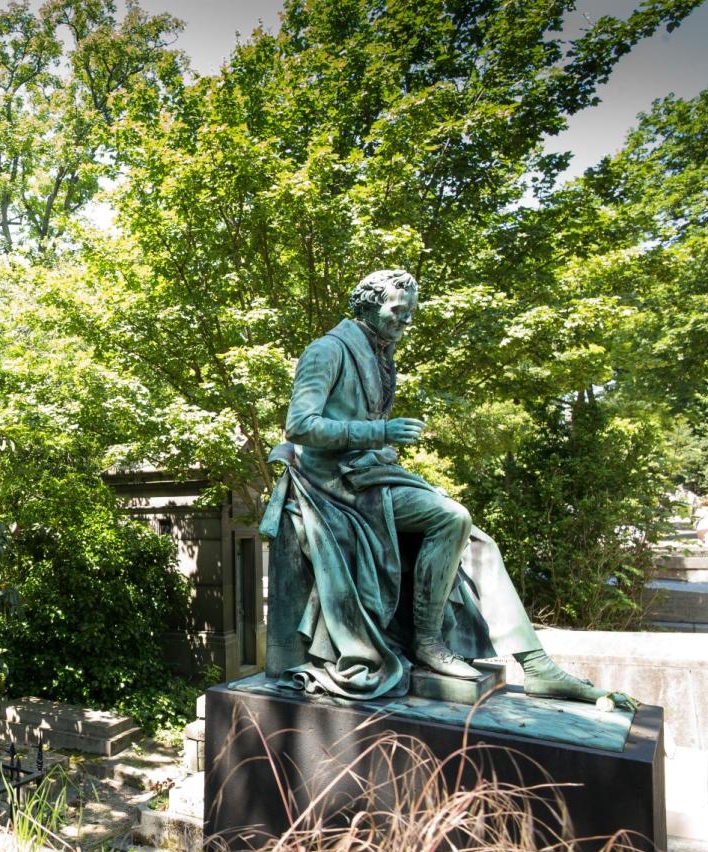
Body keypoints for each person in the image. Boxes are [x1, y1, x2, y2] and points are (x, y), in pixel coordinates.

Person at [260, 269, 632, 707]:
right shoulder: (327, 351)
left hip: (371, 476)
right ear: (366, 306)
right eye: (398, 311)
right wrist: (377, 432)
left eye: (410, 314)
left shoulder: (380, 356)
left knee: (474, 539)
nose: (406, 321)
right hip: (333, 486)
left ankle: (536, 666)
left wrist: (378, 441)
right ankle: (428, 642)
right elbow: (299, 426)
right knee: (451, 517)